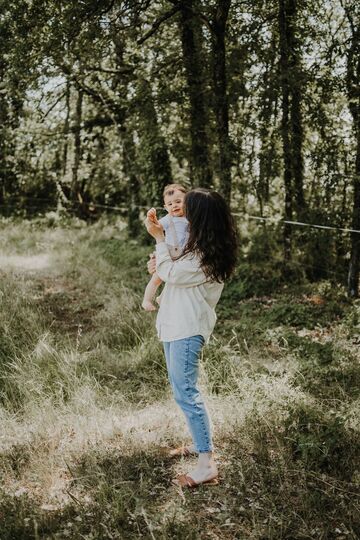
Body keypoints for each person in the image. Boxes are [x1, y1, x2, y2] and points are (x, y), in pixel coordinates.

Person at [144, 187, 238, 488]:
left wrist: (160, 242)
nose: (181, 212)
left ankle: (207, 463)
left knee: (187, 392)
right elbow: (168, 267)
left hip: (187, 328)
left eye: (188, 209)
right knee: (180, 389)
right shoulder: (195, 247)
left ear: (201, 217)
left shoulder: (205, 256)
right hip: (173, 323)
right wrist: (160, 260)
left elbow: (172, 273)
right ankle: (199, 443)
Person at [142, 184, 189, 311]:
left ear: (187, 201)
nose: (174, 206)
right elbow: (156, 227)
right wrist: (151, 218)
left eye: (178, 202)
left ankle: (162, 298)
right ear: (165, 207)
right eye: (170, 204)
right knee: (157, 279)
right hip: (168, 253)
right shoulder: (168, 219)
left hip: (182, 255)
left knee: (171, 279)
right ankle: (146, 300)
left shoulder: (190, 219)